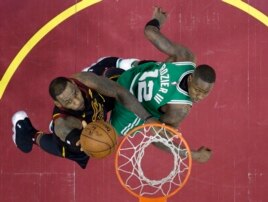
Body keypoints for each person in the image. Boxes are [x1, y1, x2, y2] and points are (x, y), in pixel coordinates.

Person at [109, 7, 216, 162]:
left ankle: (117, 65)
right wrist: (192, 155)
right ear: (191, 78)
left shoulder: (185, 57)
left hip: (128, 76)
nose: (199, 96)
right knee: (103, 137)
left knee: (102, 77)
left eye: (205, 93)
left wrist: (158, 20)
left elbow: (150, 32)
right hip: (128, 113)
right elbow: (158, 138)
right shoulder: (180, 109)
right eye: (197, 90)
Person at [12, 57, 155, 169]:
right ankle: (30, 135)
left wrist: (147, 117)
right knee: (75, 150)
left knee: (118, 79)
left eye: (75, 93)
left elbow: (120, 93)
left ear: (74, 84)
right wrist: (78, 140)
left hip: (98, 101)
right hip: (79, 124)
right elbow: (62, 129)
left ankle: (116, 63)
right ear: (59, 104)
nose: (76, 101)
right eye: (69, 101)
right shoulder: (62, 120)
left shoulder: (85, 80)